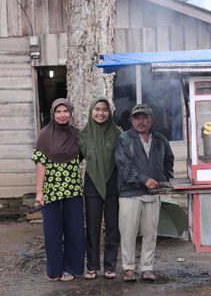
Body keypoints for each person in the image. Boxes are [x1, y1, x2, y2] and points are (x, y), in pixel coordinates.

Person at [114, 103, 174, 282]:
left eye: (144, 117)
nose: (141, 121)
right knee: (128, 233)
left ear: (151, 120)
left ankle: (147, 268)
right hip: (129, 193)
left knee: (150, 233)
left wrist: (165, 179)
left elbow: (168, 161)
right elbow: (124, 165)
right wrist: (144, 179)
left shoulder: (161, 139)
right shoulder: (124, 138)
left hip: (153, 194)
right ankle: (128, 268)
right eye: (137, 118)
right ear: (131, 120)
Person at [32, 98, 85, 282]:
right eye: (58, 112)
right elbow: (40, 164)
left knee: (75, 230)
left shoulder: (77, 134)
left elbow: (83, 156)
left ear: (71, 113)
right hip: (51, 189)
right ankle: (54, 270)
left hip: (73, 188)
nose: (62, 115)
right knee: (52, 232)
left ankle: (72, 268)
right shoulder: (45, 135)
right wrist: (39, 192)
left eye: (66, 111)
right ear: (53, 114)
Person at [78, 97, 121, 280]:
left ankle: (110, 266)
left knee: (113, 227)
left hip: (113, 184)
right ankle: (92, 266)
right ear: (91, 111)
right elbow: (74, 160)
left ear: (109, 113)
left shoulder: (117, 133)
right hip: (92, 185)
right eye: (97, 109)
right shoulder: (83, 135)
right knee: (93, 228)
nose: (100, 113)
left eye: (105, 110)